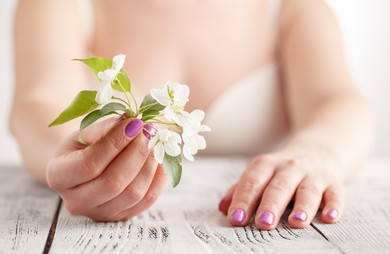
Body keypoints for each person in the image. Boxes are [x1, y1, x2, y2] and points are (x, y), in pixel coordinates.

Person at [10, 0, 372, 230]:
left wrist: (317, 152)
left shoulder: (295, 8)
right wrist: (76, 159)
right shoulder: (55, 5)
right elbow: (37, 107)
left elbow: (339, 102)